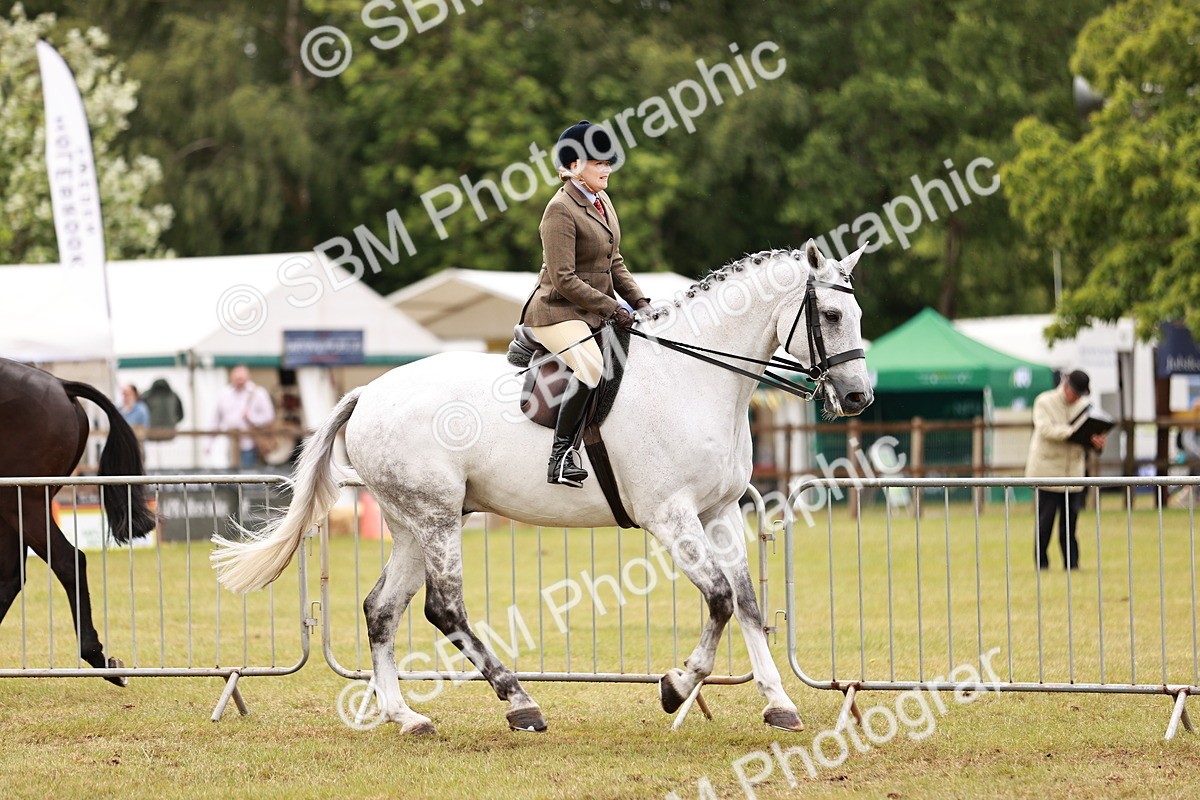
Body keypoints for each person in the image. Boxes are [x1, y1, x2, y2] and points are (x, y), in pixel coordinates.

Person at [518, 120, 651, 487]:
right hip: (556, 311)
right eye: (599, 163)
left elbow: (615, 261)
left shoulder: (602, 200)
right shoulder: (559, 209)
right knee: (592, 367)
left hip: (589, 309)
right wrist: (614, 309)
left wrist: (639, 302)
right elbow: (564, 278)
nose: (607, 169)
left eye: (609, 162)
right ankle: (560, 457)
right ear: (574, 165)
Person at [1025, 369, 1107, 570]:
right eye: (1075, 392)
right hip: (1047, 472)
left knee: (1070, 523)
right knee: (1045, 521)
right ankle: (1042, 563)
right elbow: (1045, 429)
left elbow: (1091, 436)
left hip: (1073, 473)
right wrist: (1073, 433)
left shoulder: (1086, 407)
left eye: (1080, 394)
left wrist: (1097, 442)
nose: (1076, 397)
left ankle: (1072, 564)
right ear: (1066, 387)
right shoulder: (1044, 401)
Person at [212, 365, 275, 470]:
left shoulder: (258, 393)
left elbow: (269, 416)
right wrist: (210, 442)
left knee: (248, 473)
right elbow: (216, 419)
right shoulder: (224, 393)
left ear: (247, 378)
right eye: (237, 379)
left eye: (241, 379)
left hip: (251, 441)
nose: (239, 382)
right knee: (230, 474)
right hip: (230, 442)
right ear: (231, 378)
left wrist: (252, 417)